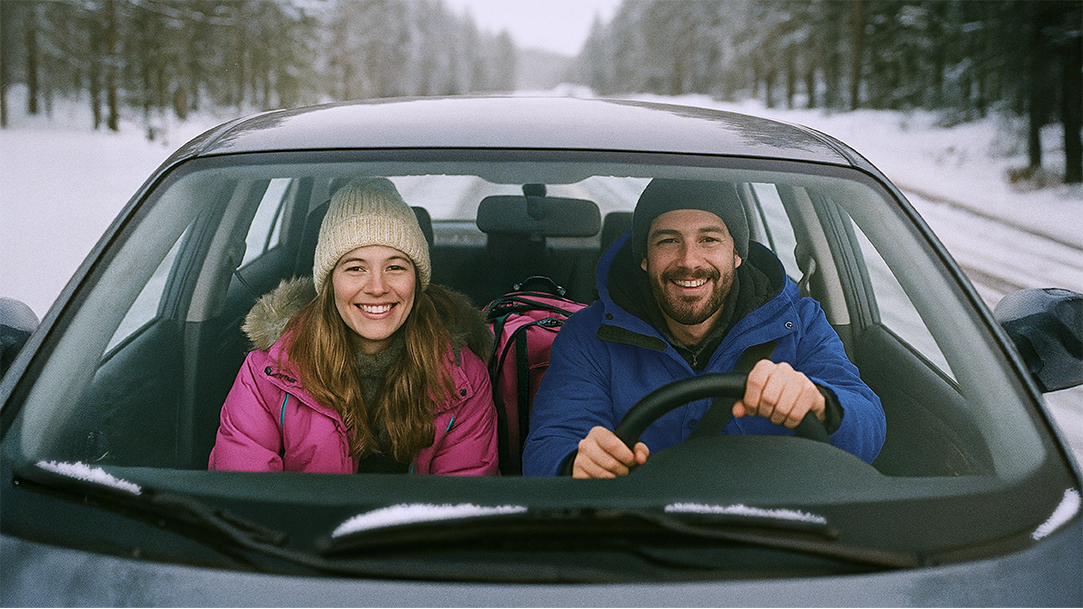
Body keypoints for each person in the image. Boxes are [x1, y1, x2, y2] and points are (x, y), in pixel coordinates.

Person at [522, 178, 886, 478]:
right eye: (668, 241)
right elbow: (549, 446)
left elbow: (868, 430)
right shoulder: (589, 335)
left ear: (737, 253)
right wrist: (574, 463)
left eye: (709, 239)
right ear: (644, 259)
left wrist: (821, 403)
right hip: (640, 533)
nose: (689, 261)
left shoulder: (800, 323)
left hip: (775, 533)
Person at [210, 177, 499, 475]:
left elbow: (461, 506)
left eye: (395, 267)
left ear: (417, 280)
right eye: (356, 268)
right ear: (330, 282)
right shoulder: (269, 374)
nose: (377, 287)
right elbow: (244, 499)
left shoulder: (462, 378)